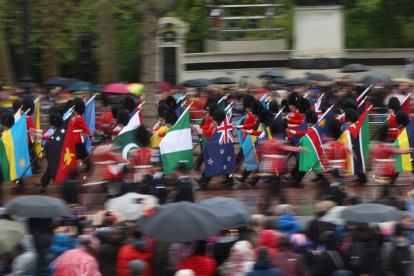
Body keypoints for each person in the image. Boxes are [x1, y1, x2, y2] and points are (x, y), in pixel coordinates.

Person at [33, 112, 64, 192]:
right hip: (54, 154)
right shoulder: (56, 129)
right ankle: (42, 185)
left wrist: (39, 135)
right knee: (50, 170)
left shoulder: (60, 132)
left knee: (54, 170)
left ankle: (43, 185)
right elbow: (48, 132)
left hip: (58, 154)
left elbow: (51, 137)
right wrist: (37, 132)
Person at [71, 97, 94, 172]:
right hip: (75, 139)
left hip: (78, 139)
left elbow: (84, 127)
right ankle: (89, 166)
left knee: (77, 153)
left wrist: (90, 135)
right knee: (82, 154)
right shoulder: (75, 117)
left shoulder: (79, 118)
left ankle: (73, 168)